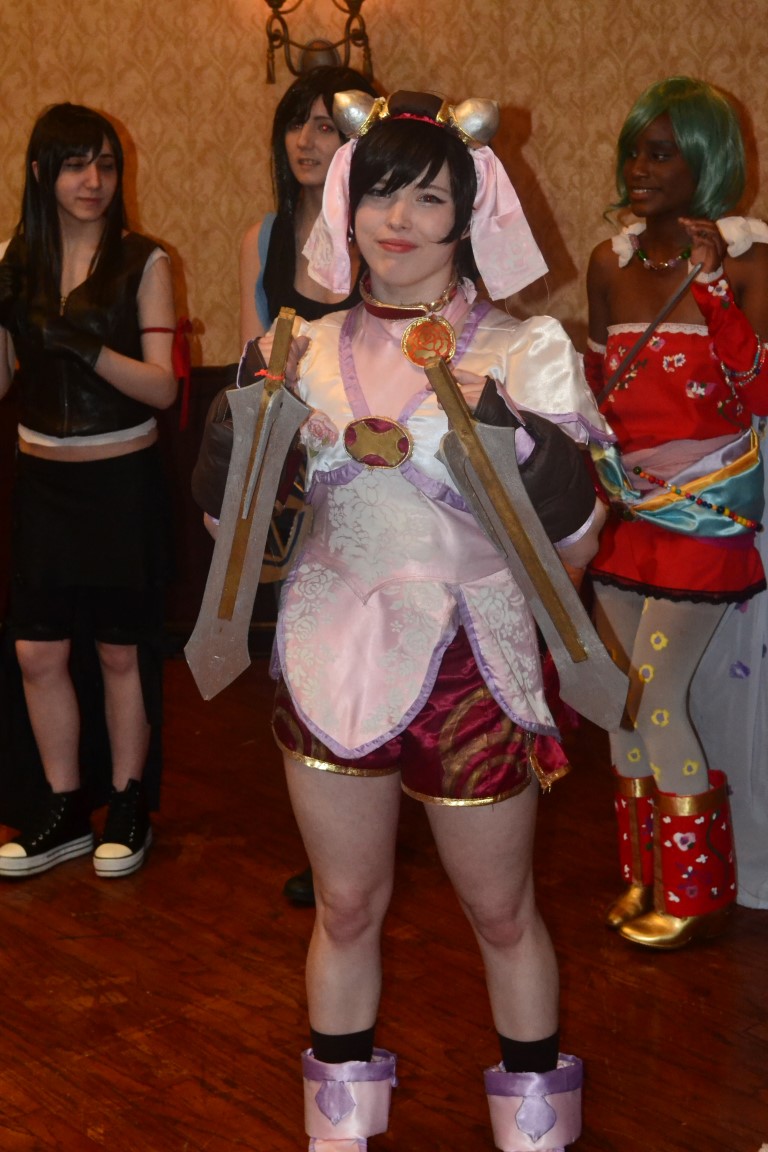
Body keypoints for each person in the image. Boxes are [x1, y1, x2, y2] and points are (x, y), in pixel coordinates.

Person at [249, 88, 613, 1152]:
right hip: (329, 650)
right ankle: (338, 1131)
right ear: (345, 204)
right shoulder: (295, 345)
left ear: (469, 215)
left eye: (429, 197)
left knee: (501, 912)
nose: (398, 219)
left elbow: (579, 540)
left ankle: (535, 1132)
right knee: (345, 907)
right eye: (379, 193)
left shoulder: (526, 348)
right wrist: (232, 460)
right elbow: (240, 532)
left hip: (474, 659)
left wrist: (537, 463)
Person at [585, 76, 768, 947]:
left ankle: (697, 893)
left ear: (707, 163)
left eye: (661, 153)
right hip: (627, 513)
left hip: (704, 517)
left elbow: (759, 394)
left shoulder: (753, 263)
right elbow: (594, 392)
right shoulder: (608, 263)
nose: (639, 167)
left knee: (657, 698)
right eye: (634, 150)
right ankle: (644, 875)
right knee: (619, 702)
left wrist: (717, 290)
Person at [0, 103, 178, 879]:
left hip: (120, 481)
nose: (93, 180)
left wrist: (85, 347)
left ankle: (129, 805)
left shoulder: (144, 261)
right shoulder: (12, 260)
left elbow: (164, 388)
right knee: (37, 650)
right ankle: (64, 808)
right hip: (41, 480)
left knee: (119, 650)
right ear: (42, 172)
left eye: (106, 164)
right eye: (76, 164)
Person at [239, 65, 377, 910]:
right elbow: (254, 360)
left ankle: (397, 809)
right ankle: (332, 844)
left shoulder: (377, 231)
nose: (306, 138)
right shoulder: (262, 235)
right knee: (308, 651)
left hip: (379, 465)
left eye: (328, 124)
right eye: (297, 120)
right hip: (298, 468)